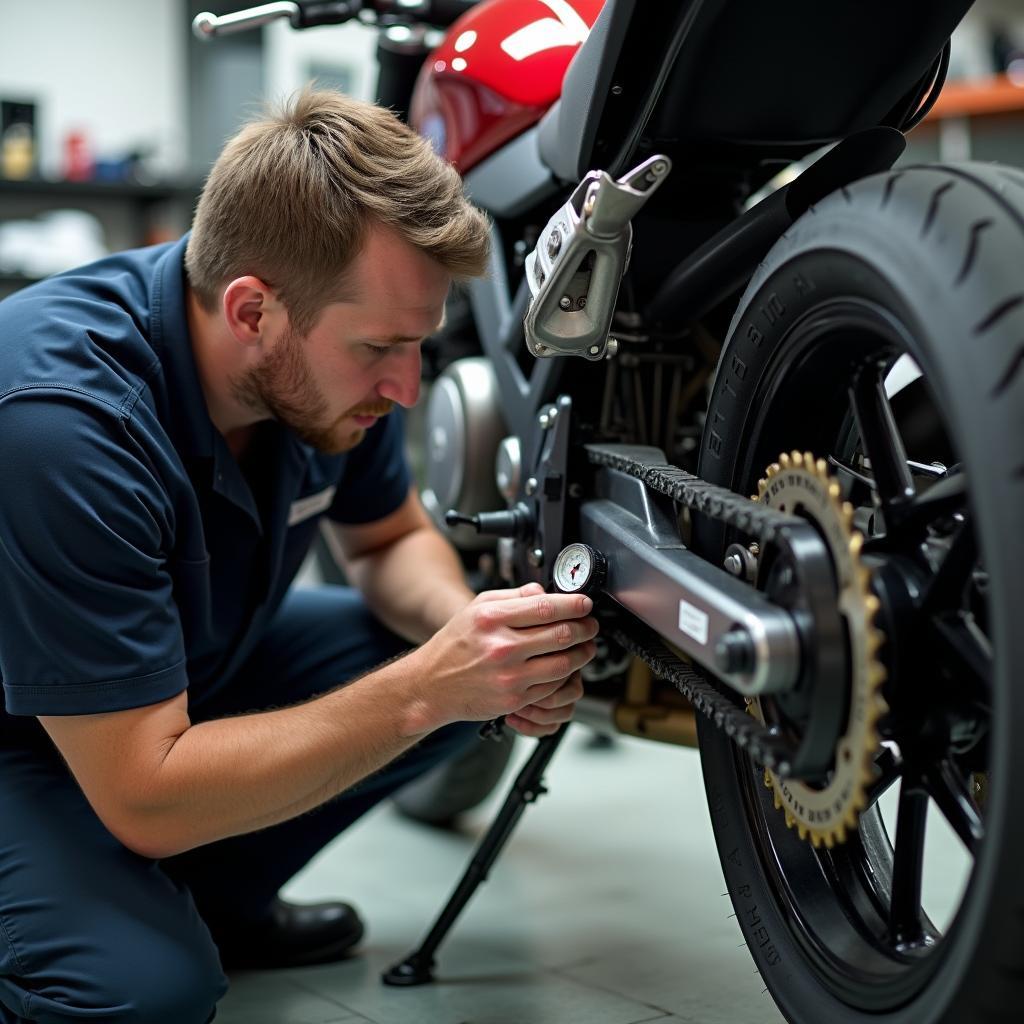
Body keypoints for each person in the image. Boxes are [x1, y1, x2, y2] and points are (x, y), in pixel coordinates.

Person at [0, 87, 597, 1024]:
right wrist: (426, 688)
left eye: (420, 348)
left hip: (160, 694)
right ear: (252, 312)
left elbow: (390, 541)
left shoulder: (311, 378)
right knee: (135, 997)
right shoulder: (62, 426)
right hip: (31, 739)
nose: (406, 390)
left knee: (411, 659)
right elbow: (142, 793)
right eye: (380, 350)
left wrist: (472, 644)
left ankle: (204, 901)